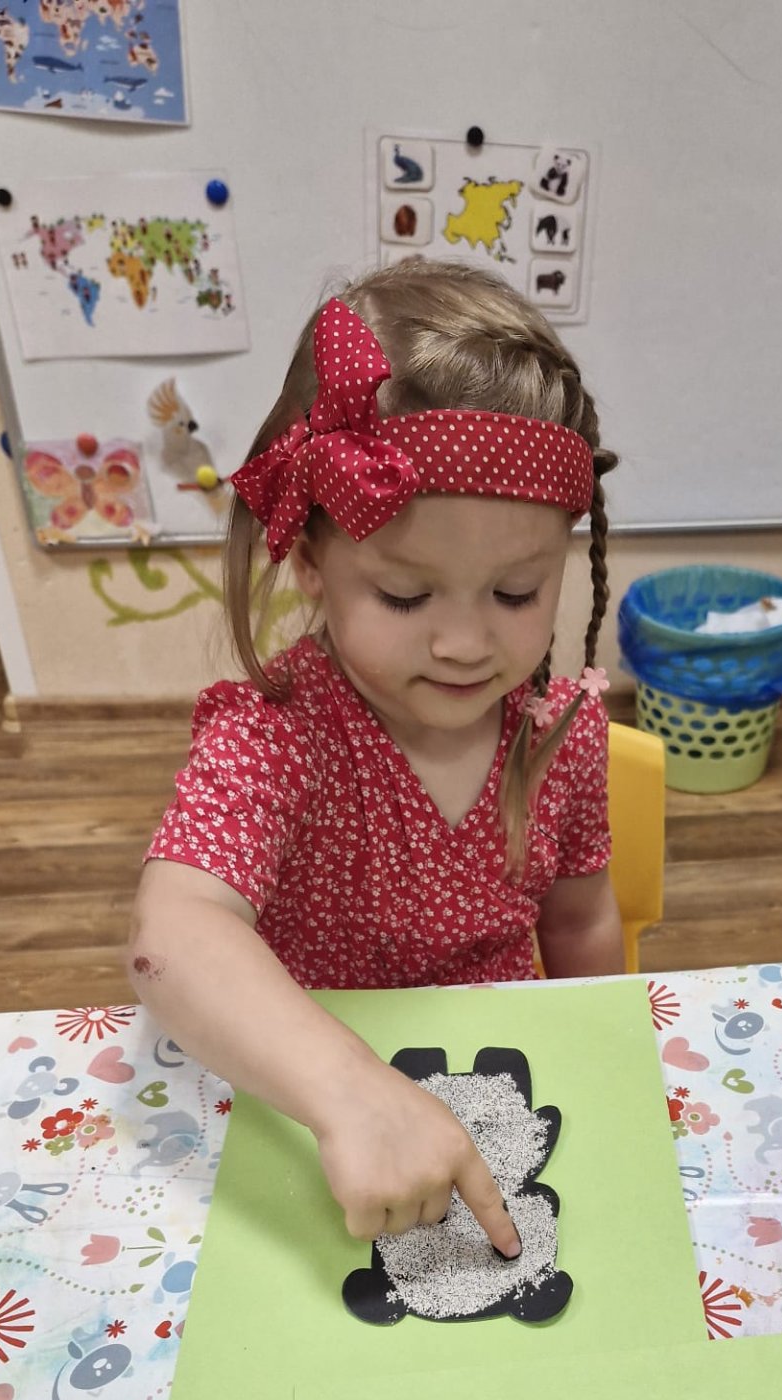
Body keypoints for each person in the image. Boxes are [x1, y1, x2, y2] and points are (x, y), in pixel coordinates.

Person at [127, 258, 623, 1260]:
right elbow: (172, 934)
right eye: (405, 596)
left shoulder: (560, 733)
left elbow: (581, 924)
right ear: (312, 561)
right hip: (307, 1113)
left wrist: (612, 1073)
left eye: (517, 593)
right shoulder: (275, 737)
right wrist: (353, 1094)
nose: (465, 644)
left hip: (501, 1106)